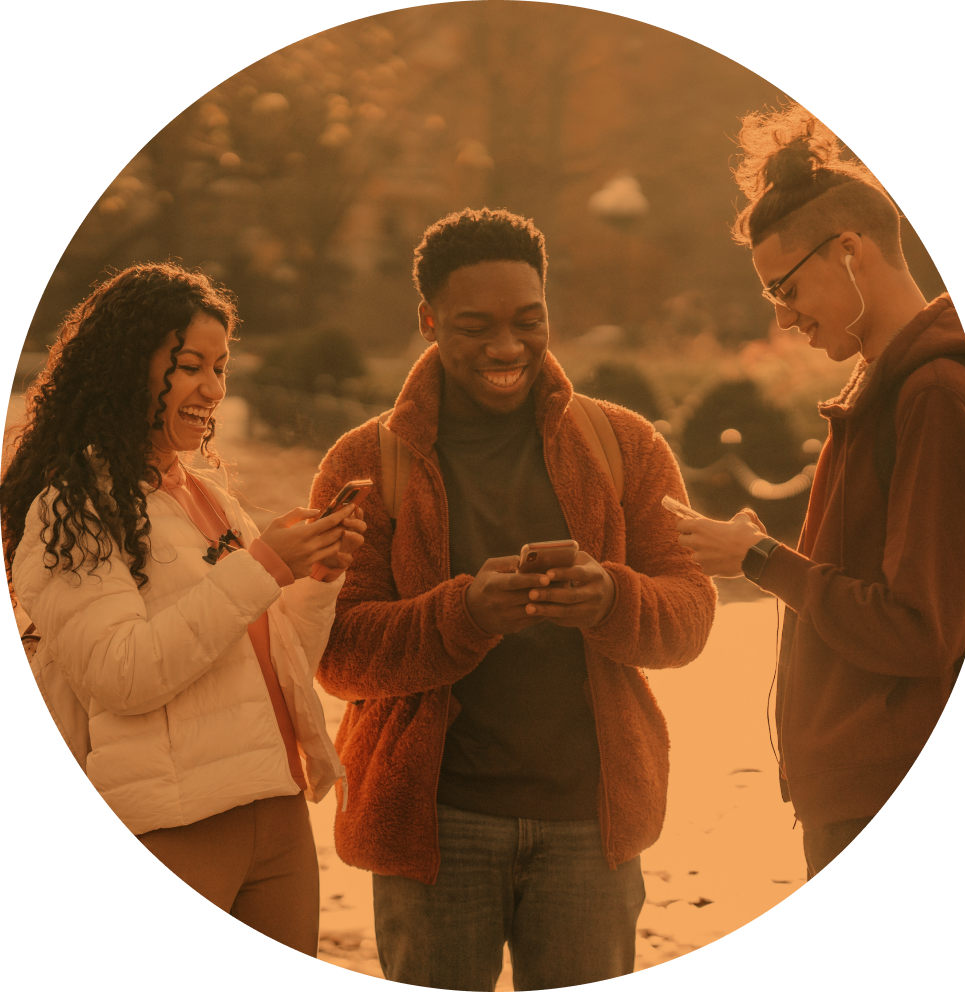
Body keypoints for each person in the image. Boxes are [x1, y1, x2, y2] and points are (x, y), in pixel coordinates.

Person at [310, 207, 716, 990]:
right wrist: (461, 617)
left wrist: (612, 599)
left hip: (592, 825)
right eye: (475, 326)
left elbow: (692, 614)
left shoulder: (623, 443)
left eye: (529, 321)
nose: (508, 347)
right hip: (434, 828)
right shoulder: (365, 462)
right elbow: (337, 653)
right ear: (428, 320)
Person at [2, 261, 366, 956]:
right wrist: (264, 566)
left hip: (278, 811)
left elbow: (278, 662)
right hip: (174, 826)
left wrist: (315, 577)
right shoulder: (74, 509)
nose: (213, 388)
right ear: (125, 367)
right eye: (190, 365)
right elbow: (123, 674)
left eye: (221, 368)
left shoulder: (209, 498)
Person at [676, 105, 965, 880]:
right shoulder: (879, 386)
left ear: (850, 251)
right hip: (853, 792)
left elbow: (921, 630)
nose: (783, 317)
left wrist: (757, 557)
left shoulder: (934, 393)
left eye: (786, 286)